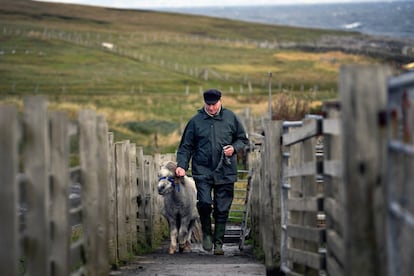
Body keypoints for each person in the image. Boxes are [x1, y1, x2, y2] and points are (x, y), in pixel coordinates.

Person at [175, 89, 249, 255]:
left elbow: (243, 139)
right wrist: (181, 165)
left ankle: (218, 243)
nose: (211, 108)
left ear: (220, 101)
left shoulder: (231, 118)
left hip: (226, 169)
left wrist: (234, 148)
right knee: (204, 203)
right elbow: (185, 147)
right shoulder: (195, 122)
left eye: (214, 105)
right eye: (208, 105)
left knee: (222, 208)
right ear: (204, 103)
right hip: (202, 171)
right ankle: (207, 233)